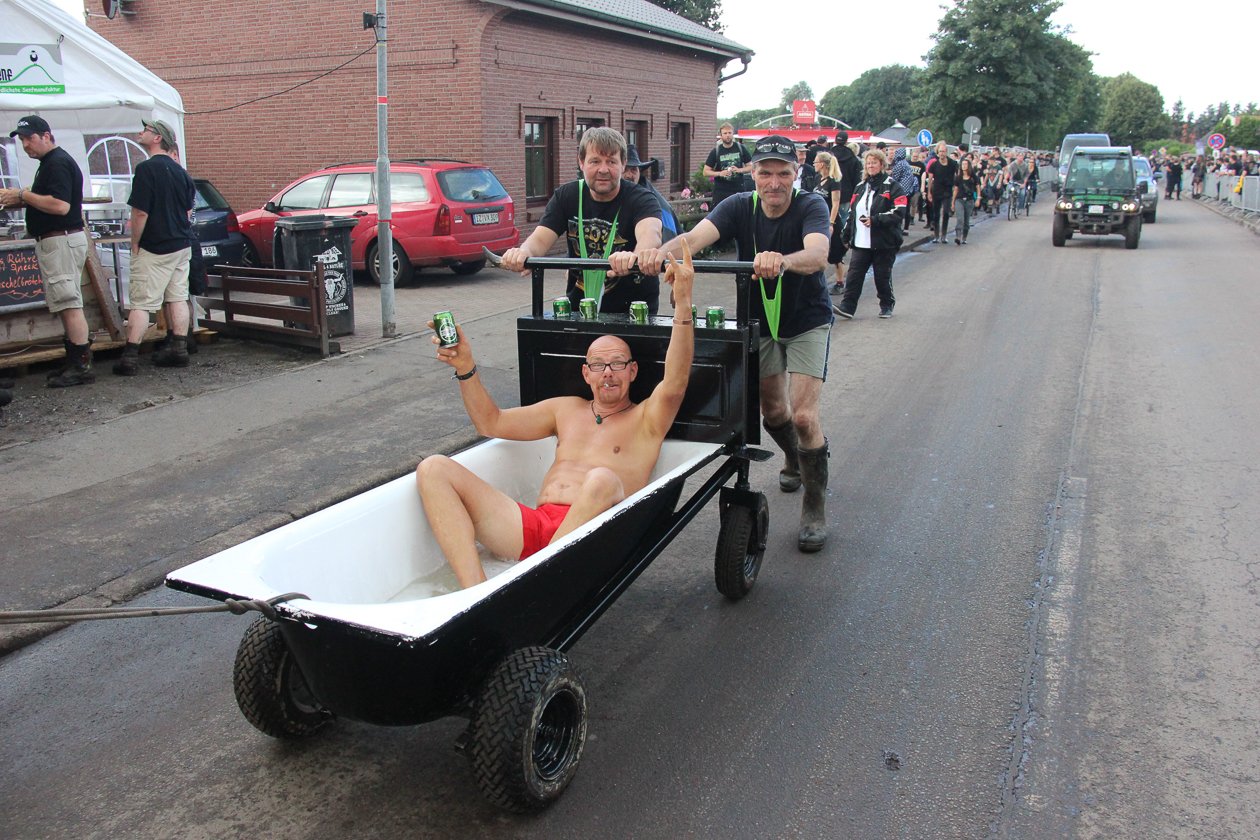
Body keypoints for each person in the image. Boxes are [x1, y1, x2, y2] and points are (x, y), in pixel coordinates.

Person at [417, 244, 696, 588]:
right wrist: (466, 368)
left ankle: (537, 577)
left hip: (592, 534)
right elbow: (491, 422)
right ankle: (474, 592)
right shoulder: (565, 409)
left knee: (602, 479)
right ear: (586, 374)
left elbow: (676, 381)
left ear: (633, 371)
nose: (608, 373)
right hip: (537, 528)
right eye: (598, 365)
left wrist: (682, 302)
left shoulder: (646, 419)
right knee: (433, 468)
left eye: (618, 364)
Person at [645, 135, 833, 552]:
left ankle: (815, 504)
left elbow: (818, 253)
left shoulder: (811, 205)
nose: (774, 182)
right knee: (772, 411)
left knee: (803, 416)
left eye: (783, 173)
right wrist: (653, 255)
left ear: (795, 173)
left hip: (806, 320)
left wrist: (782, 260)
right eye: (765, 173)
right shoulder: (737, 206)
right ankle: (793, 459)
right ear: (754, 174)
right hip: (759, 320)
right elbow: (692, 241)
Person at [501, 127, 663, 314]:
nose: (603, 169)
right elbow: (540, 239)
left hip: (632, 314)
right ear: (581, 163)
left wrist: (635, 256)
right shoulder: (566, 196)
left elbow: (651, 233)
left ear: (623, 163)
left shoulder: (642, 199)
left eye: (611, 161)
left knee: (610, 345)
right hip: (581, 312)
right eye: (595, 161)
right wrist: (523, 252)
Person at [0, 116, 93, 388]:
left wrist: (22, 196)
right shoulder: (49, 164)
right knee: (66, 302)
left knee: (69, 302)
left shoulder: (58, 163)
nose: (25, 144)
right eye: (22, 139)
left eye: (29, 138)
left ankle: (81, 365)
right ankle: (74, 358)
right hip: (57, 240)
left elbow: (60, 205)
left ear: (46, 136)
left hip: (61, 240)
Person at [112, 119, 196, 375]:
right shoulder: (181, 172)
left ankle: (129, 358)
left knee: (141, 302)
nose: (141, 133)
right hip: (181, 243)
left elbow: (140, 212)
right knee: (178, 296)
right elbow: (188, 209)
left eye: (146, 130)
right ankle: (179, 349)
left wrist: (135, 241)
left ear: (158, 138)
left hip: (155, 245)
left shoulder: (146, 170)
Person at [834, 149, 907, 320]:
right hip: (861, 242)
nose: (871, 165)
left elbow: (899, 211)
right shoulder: (860, 187)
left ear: (882, 164)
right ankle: (847, 307)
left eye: (874, 162)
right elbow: (852, 213)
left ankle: (887, 305)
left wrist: (876, 219)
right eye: (868, 163)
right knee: (854, 276)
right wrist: (846, 235)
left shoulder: (892, 186)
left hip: (884, 242)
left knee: (882, 276)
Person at [623, 144, 679, 240]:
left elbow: (669, 237)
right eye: (625, 169)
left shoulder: (654, 202)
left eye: (633, 170)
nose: (629, 175)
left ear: (639, 172)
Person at [812, 151, 845, 292]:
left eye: (816, 162)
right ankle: (819, 282)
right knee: (819, 251)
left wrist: (831, 223)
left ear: (823, 164)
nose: (814, 164)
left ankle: (840, 282)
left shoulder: (834, 181)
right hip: (818, 220)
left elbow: (836, 203)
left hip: (831, 220)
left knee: (836, 253)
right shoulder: (817, 179)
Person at [704, 123, 753, 206]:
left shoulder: (740, 148)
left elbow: (752, 166)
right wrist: (720, 173)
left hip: (738, 191)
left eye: (730, 133)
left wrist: (740, 170)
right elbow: (705, 172)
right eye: (725, 133)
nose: (728, 135)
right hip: (721, 192)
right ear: (721, 135)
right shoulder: (716, 151)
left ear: (733, 134)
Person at [926, 141, 957, 242]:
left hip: (947, 191)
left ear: (946, 151)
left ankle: (944, 235)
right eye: (940, 151)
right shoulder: (934, 165)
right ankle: (936, 235)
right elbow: (930, 179)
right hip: (936, 191)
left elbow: (957, 176)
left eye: (943, 151)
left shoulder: (952, 163)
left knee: (946, 213)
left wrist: (956, 188)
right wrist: (929, 192)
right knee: (936, 214)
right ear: (937, 152)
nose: (942, 153)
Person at [889, 148, 918, 233]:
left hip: (901, 190)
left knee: (900, 208)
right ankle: (906, 228)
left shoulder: (899, 164)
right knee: (907, 208)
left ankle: (899, 227)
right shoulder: (906, 163)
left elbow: (895, 178)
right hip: (909, 190)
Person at [952, 157, 979, 245]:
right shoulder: (958, 177)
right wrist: (953, 202)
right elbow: (955, 189)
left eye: (965, 164)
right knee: (960, 218)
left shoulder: (973, 177)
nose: (963, 166)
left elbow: (978, 187)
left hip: (969, 200)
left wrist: (978, 198)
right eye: (962, 164)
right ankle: (958, 236)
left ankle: (964, 237)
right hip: (959, 199)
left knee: (966, 220)